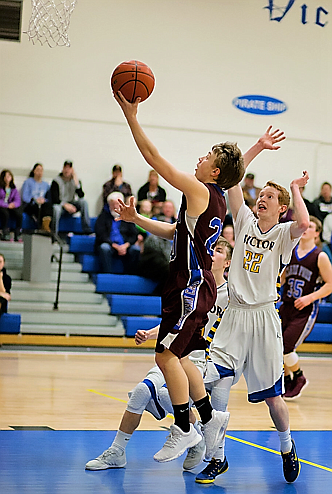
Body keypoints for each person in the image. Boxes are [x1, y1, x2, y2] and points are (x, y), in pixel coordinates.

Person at [112, 91, 284, 466]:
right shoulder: (214, 199)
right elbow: (175, 232)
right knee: (184, 358)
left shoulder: (199, 190)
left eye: (207, 157)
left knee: (165, 356)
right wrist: (136, 219)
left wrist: (132, 117)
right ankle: (209, 417)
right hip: (189, 286)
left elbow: (155, 159)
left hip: (189, 288)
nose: (201, 158)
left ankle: (183, 427)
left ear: (215, 173)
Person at [85, 236, 233, 471]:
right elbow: (176, 324)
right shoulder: (195, 284)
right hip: (175, 353)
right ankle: (117, 451)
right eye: (210, 249)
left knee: (165, 395)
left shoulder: (231, 295)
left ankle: (192, 433)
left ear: (228, 262)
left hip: (201, 361)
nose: (212, 253)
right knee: (142, 391)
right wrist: (152, 333)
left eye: (218, 250)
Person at [203, 167, 310, 484]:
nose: (262, 199)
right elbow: (233, 179)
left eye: (270, 197)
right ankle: (217, 456)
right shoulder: (245, 220)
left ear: (281, 208)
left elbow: (304, 223)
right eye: (261, 195)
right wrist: (255, 148)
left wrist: (295, 188)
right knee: (219, 383)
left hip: (264, 318)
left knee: (273, 398)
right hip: (235, 315)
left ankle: (287, 446)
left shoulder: (282, 236)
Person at [280, 216, 332, 400]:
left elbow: (330, 284)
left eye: (310, 227)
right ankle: (287, 379)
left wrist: (309, 298)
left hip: (305, 310)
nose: (306, 229)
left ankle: (299, 377)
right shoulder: (291, 250)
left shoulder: (320, 256)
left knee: (286, 346)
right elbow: (283, 277)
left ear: (317, 233)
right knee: (276, 345)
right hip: (286, 305)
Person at [94, 191, 139, 274]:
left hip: (125, 245)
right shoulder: (103, 216)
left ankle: (130, 275)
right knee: (104, 248)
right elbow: (101, 235)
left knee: (135, 249)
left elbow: (134, 234)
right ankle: (108, 274)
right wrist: (115, 246)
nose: (115, 207)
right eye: (112, 204)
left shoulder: (127, 217)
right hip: (110, 245)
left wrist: (125, 246)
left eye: (117, 204)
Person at [50, 161, 92, 235]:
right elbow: (55, 199)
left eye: (69, 168)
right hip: (61, 205)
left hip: (72, 204)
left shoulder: (75, 181)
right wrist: (65, 205)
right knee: (56, 208)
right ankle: (54, 234)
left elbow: (81, 196)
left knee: (84, 202)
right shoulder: (56, 181)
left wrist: (77, 184)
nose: (67, 170)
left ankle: (87, 231)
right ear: (62, 169)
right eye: (65, 168)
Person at [21, 163, 53, 232]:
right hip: (31, 204)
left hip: (42, 204)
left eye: (41, 171)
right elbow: (25, 197)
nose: (39, 173)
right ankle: (42, 226)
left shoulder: (46, 185)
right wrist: (35, 200)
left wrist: (43, 200)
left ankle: (46, 225)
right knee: (36, 207)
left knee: (48, 206)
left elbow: (48, 198)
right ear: (34, 171)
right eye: (38, 170)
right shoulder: (28, 182)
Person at [0, 169, 22, 241]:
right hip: (2, 206)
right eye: (6, 176)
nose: (7, 178)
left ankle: (18, 232)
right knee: (5, 213)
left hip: (10, 206)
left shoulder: (13, 189)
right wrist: (6, 205)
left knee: (19, 214)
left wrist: (13, 204)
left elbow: (18, 200)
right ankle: (5, 232)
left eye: (9, 176)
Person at [0, 253, 11, 317]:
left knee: (2, 300)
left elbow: (6, 294)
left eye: (0, 262)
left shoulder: (7, 278)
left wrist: (0, 279)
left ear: (3, 263)